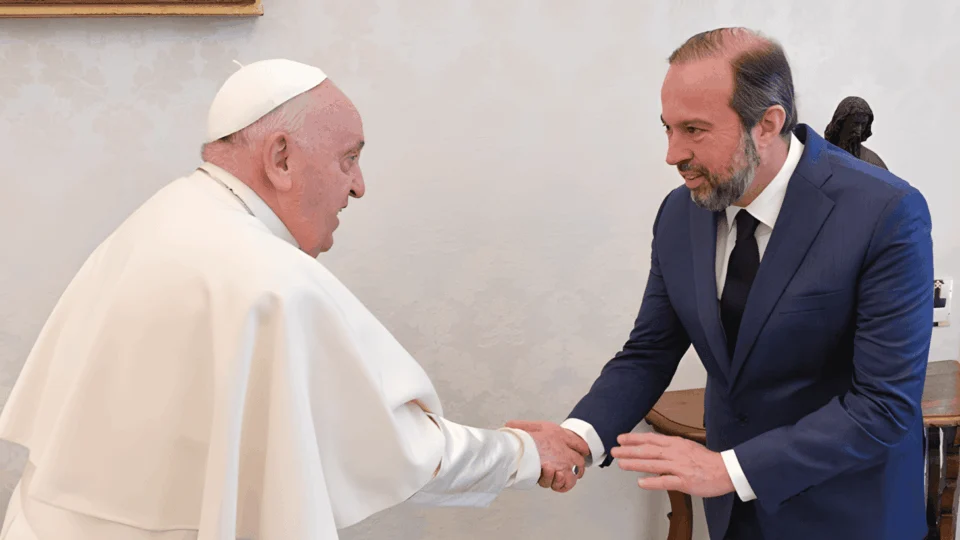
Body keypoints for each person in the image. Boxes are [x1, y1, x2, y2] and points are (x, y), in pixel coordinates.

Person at [0, 59, 588, 540]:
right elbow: (402, 449)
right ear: (280, 158)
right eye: (349, 158)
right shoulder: (269, 279)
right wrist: (525, 452)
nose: (359, 185)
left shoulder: (162, 217)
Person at [509, 28, 932, 539]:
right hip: (733, 517)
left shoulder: (886, 211)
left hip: (850, 515)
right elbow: (649, 352)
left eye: (694, 129)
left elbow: (883, 408)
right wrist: (577, 437)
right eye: (666, 128)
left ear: (768, 124)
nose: (672, 154)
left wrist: (728, 470)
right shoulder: (678, 214)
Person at [824, 96, 888, 170]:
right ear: (841, 122)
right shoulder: (818, 153)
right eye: (855, 124)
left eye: (863, 124)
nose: (859, 130)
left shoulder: (875, 164)